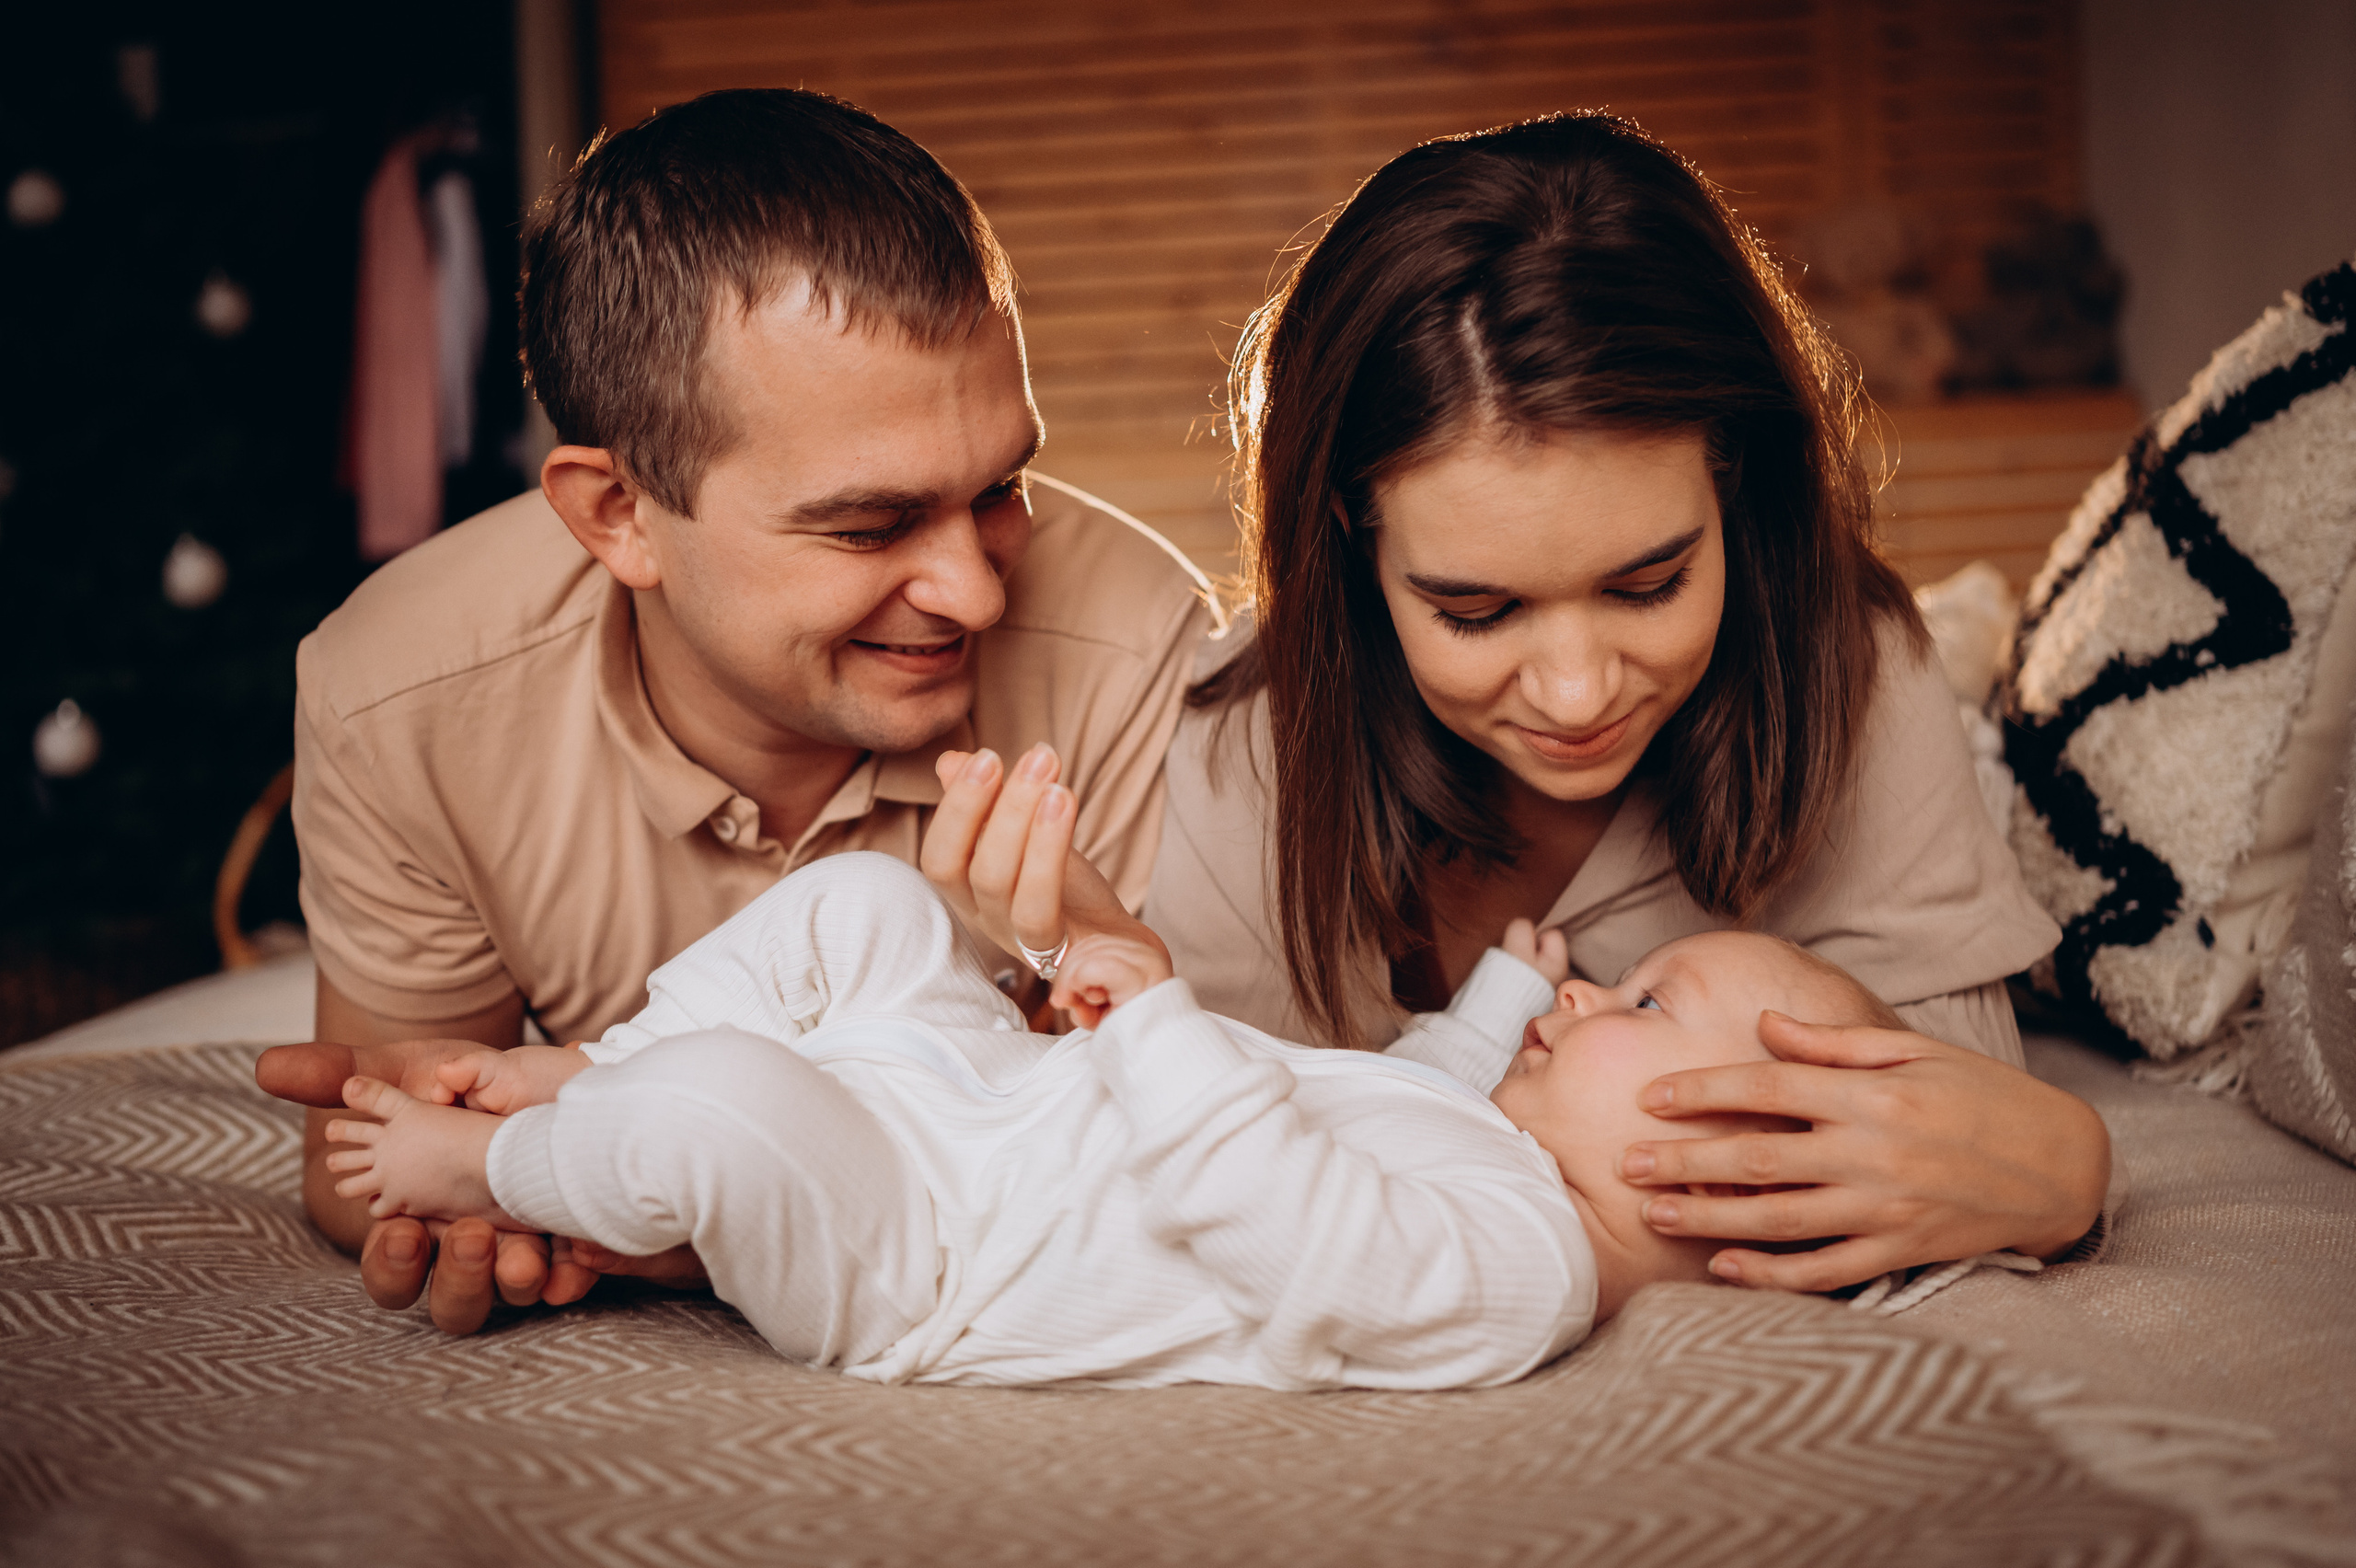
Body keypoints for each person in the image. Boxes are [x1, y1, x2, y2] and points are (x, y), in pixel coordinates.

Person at [936, 112, 2113, 1294]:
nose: (1575, 692)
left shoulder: (1853, 678)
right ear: (1350, 540)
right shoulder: (1250, 743)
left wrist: (2065, 1164)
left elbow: (1947, 1132)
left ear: (1735, 487)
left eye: (1650, 584)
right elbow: (1213, 1173)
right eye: (1476, 612)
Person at [290, 87, 1218, 1334]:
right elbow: (376, 1150)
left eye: (1001, 486)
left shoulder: (1137, 646)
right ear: (619, 516)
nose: (977, 591)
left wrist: (636, 1216)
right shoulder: (403, 696)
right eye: (869, 524)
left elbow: (1206, 1164)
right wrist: (475, 1187)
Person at [297, 848, 1946, 1389]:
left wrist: (1154, 1010)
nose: (1602, 993)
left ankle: (493, 1153)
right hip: (981, 1095)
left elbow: (1308, 1238)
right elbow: (1415, 1091)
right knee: (872, 899)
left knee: (732, 1117)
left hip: (929, 1245)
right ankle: (600, 1065)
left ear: (1704, 1172)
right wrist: (1511, 1000)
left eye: (1640, 1011)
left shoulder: (1523, 1275)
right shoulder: (1505, 1161)